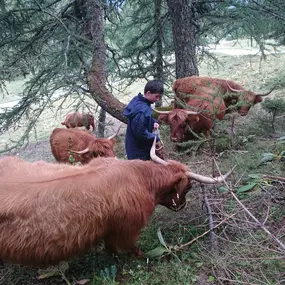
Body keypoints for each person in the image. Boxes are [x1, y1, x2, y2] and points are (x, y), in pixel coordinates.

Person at [123, 79, 163, 160]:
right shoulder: (142, 111)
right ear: (148, 93)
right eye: (156, 96)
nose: (158, 99)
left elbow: (145, 119)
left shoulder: (139, 100)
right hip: (139, 152)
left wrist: (153, 122)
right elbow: (140, 133)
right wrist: (155, 137)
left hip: (133, 146)